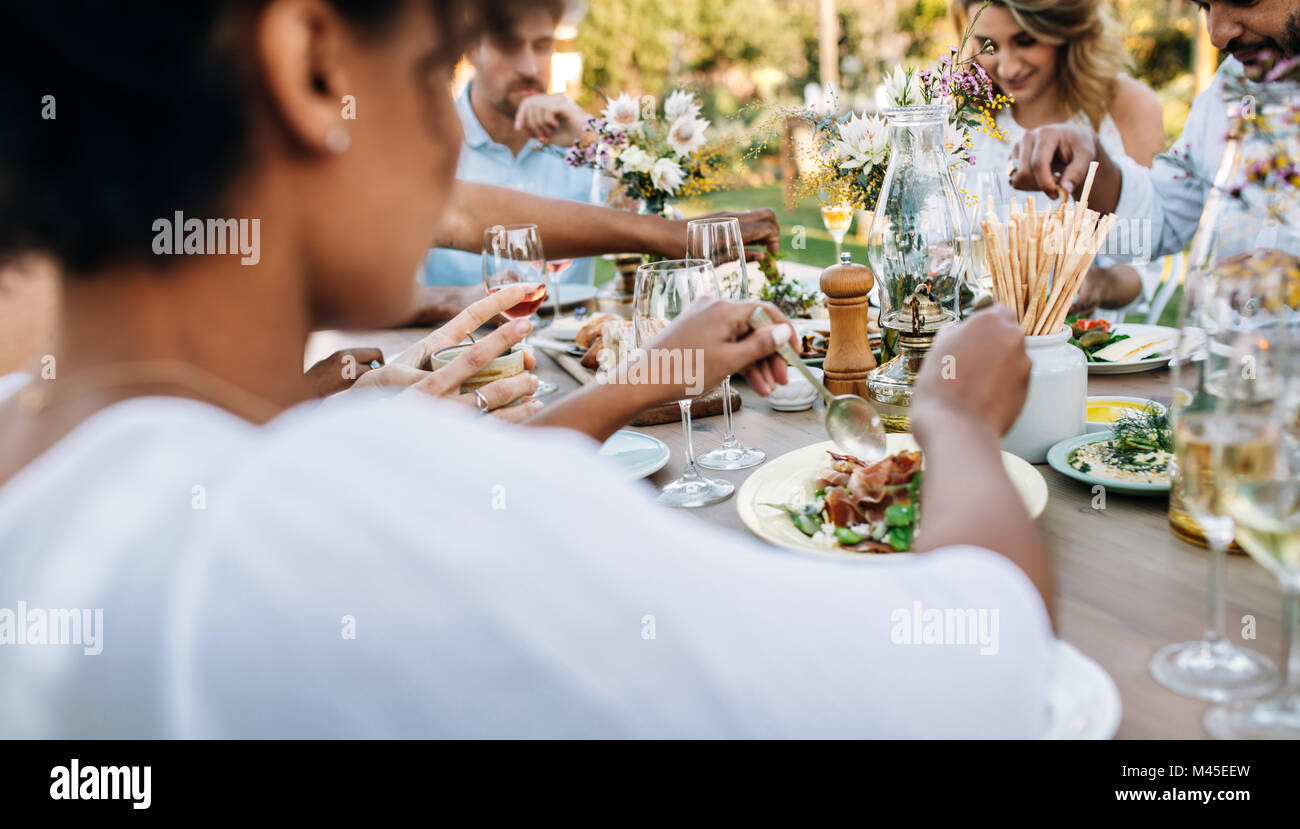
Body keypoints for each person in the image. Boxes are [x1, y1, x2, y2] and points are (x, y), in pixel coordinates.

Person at [0, 0, 1053, 738]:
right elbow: (977, 674)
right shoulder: (332, 517)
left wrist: (634, 374)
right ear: (314, 68)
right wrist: (954, 422)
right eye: (428, 70)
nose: (437, 136)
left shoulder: (40, 456)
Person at [1006, 0, 1300, 260]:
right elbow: (1165, 219)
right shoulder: (1231, 86)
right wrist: (1091, 159)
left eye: (1244, 0)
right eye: (1205, 6)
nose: (1218, 35)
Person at [951, 0, 1166, 319]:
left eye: (1026, 41)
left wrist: (1101, 284)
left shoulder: (1129, 107)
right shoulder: (961, 115)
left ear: (1064, 30)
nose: (1007, 68)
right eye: (989, 45)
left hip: (1078, 353)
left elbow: (1140, 258)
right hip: (973, 343)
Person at [421, 0, 597, 290]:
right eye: (509, 46)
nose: (529, 68)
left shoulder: (584, 143)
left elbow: (664, 234)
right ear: (471, 48)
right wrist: (460, 301)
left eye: (542, 47)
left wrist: (594, 139)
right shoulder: (426, 144)